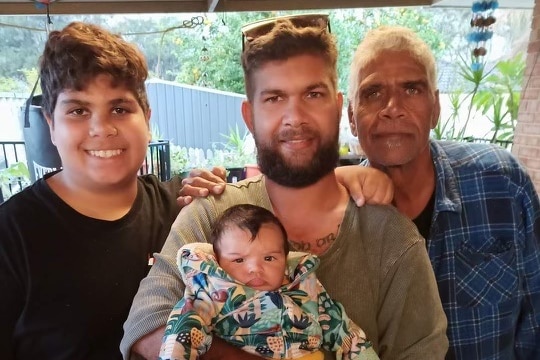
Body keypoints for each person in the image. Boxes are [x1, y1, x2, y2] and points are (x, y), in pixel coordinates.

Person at [121, 15, 448, 360]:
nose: (295, 116)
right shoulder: (210, 214)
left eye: (313, 93)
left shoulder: (392, 239)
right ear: (250, 117)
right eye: (275, 98)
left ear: (338, 108)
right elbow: (145, 325)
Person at [346, 26, 540, 359]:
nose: (393, 107)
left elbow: (535, 318)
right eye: (373, 92)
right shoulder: (337, 218)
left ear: (435, 107)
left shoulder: (501, 185)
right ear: (351, 117)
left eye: (411, 88)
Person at [0, 22, 188, 359]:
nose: (102, 128)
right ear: (51, 125)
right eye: (78, 110)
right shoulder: (11, 235)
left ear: (146, 119)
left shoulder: (183, 212)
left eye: (119, 108)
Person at [159, 204, 378, 360]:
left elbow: (343, 330)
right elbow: (181, 333)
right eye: (239, 260)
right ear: (218, 261)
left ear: (285, 259)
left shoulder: (305, 286)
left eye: (269, 258)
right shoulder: (209, 292)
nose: (255, 268)